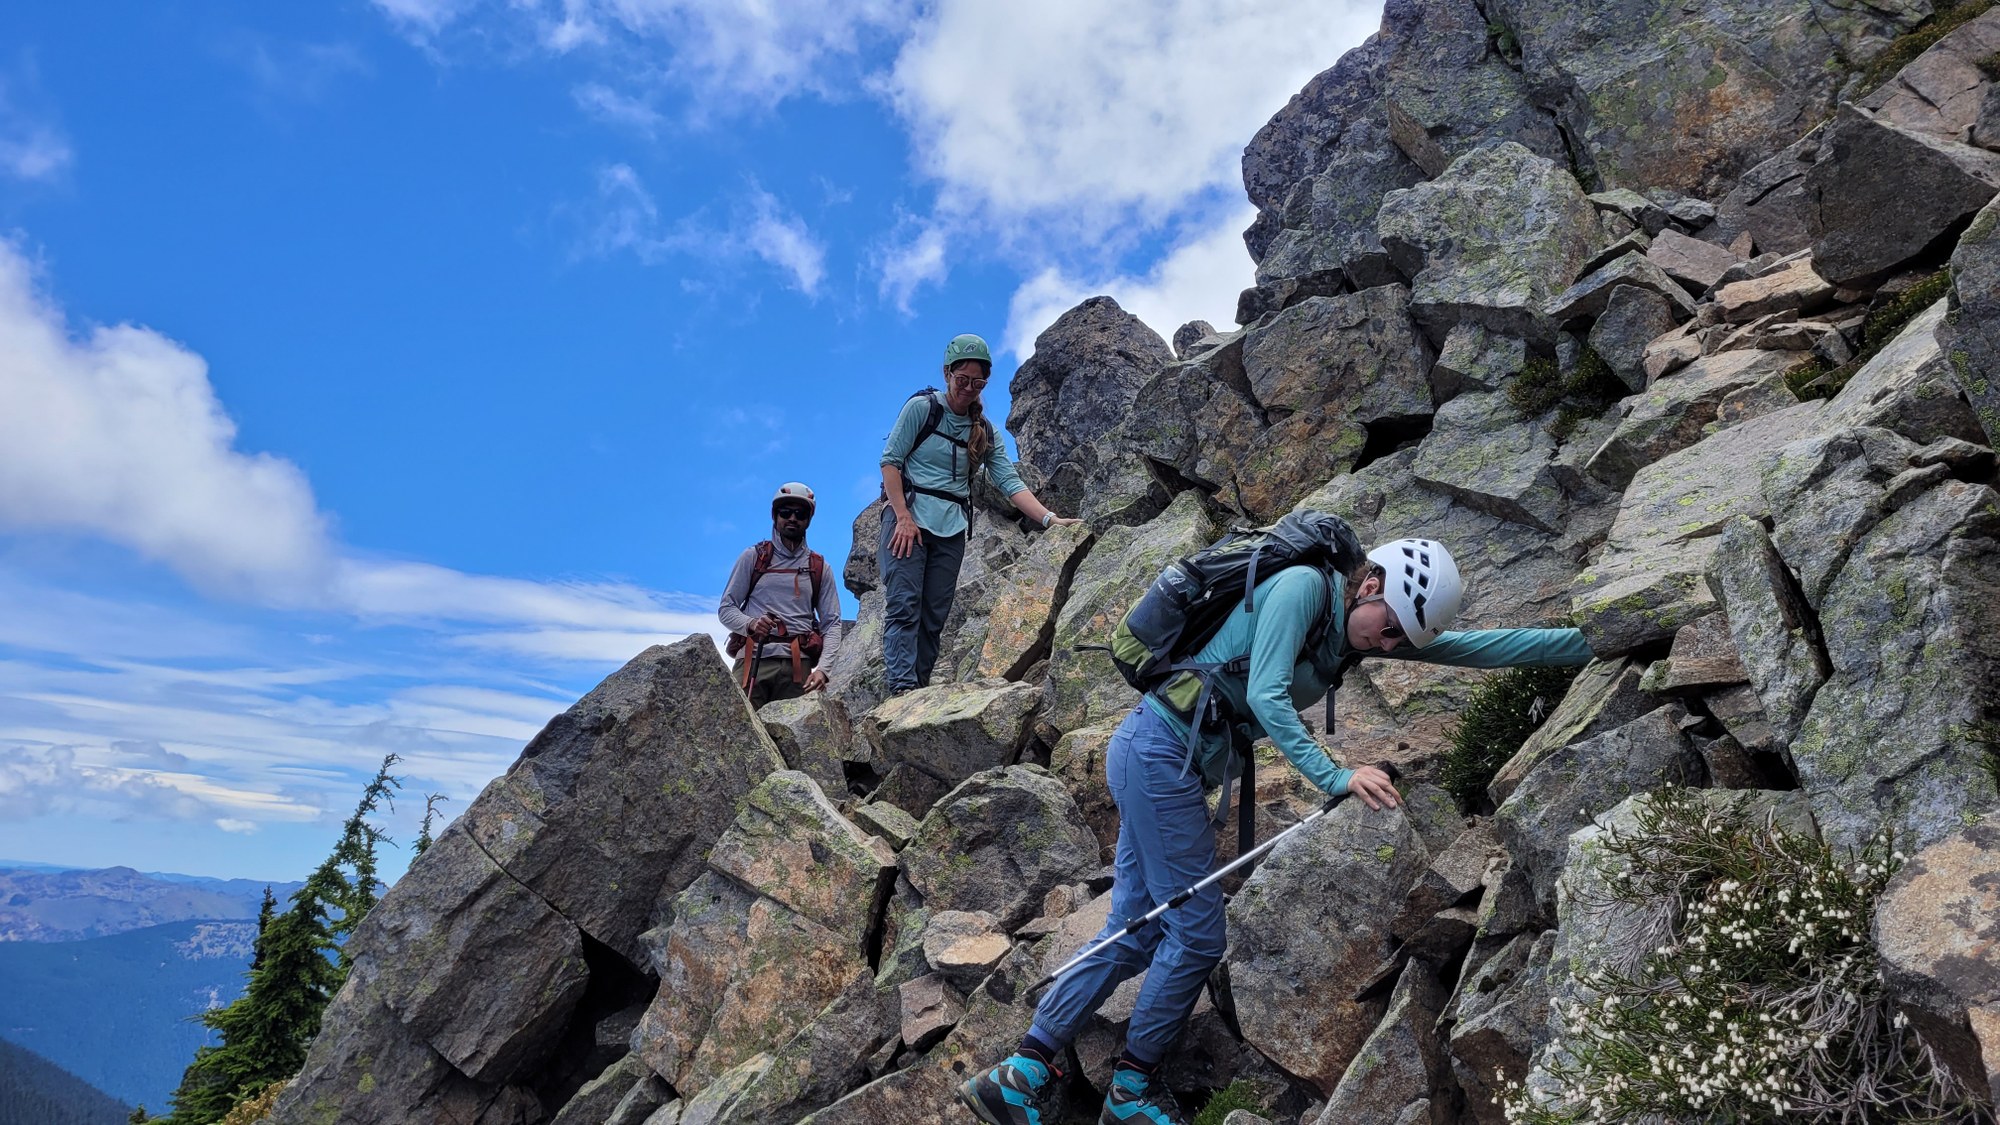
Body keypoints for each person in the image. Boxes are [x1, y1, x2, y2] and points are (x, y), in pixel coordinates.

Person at [957, 535, 1594, 1125]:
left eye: (1402, 640)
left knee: (1138, 926)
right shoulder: (1303, 589)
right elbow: (1266, 694)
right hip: (1158, 757)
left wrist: (1598, 637)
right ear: (1372, 584)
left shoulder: (1354, 632)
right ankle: (1130, 1090)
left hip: (1162, 761)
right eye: (1391, 630)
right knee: (1196, 936)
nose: (1389, 645)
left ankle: (1020, 1075)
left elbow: (1479, 648)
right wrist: (1335, 775)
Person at [878, 333, 1078, 694]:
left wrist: (1050, 519)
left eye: (978, 383)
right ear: (946, 373)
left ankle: (916, 691)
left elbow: (1010, 482)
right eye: (962, 379)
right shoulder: (922, 409)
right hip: (908, 520)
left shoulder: (984, 431)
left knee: (934, 616)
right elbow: (890, 462)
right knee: (904, 606)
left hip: (951, 529)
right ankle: (901, 689)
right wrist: (903, 517)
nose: (969, 388)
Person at [717, 482, 844, 708]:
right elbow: (726, 608)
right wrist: (751, 624)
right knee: (742, 728)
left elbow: (832, 623)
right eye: (785, 512)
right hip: (752, 659)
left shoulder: (819, 567)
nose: (792, 518)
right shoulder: (753, 557)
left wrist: (824, 670)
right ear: (774, 516)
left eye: (800, 514)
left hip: (799, 666)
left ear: (809, 519)